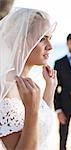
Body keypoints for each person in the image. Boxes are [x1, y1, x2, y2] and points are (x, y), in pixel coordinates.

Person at [0, 8, 57, 150]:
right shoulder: (5, 90)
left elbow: (42, 124)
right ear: (19, 40)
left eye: (50, 38)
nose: (50, 47)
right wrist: (31, 111)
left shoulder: (28, 82)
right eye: (42, 38)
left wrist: (50, 87)